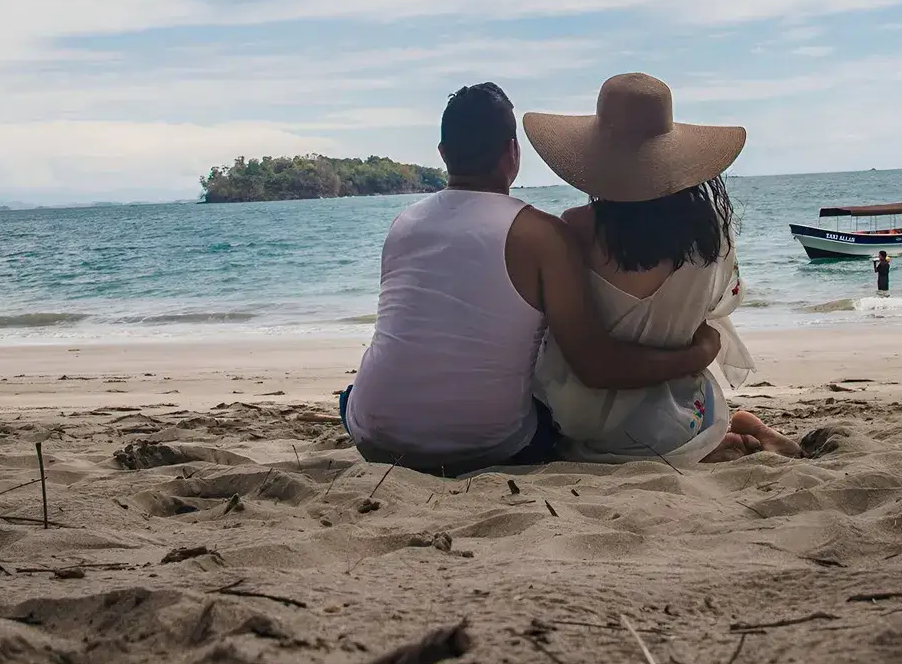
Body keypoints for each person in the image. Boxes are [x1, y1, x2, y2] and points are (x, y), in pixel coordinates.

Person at [341, 83, 722, 475]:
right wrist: (697, 355)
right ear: (512, 152)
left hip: (374, 439)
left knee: (352, 396)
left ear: (442, 155)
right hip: (491, 448)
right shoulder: (542, 235)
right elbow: (595, 365)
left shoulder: (401, 225)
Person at [526, 73, 800, 465]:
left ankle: (731, 435)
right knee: (672, 424)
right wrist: (698, 346)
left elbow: (577, 351)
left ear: (598, 157)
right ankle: (729, 430)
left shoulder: (575, 228)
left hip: (586, 420)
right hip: (685, 408)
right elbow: (717, 311)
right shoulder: (712, 235)